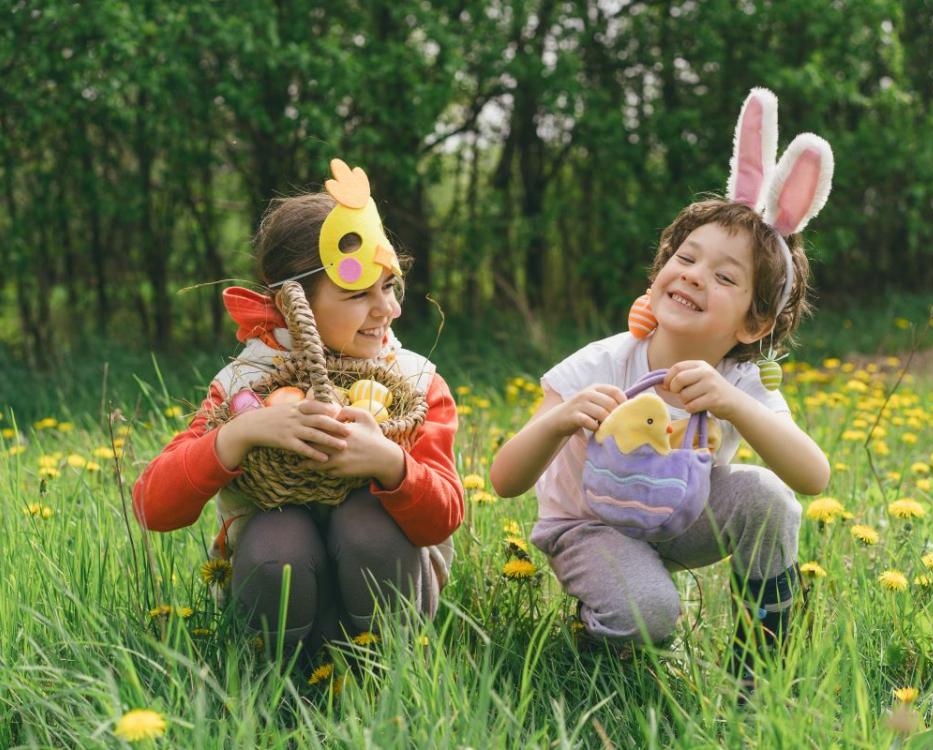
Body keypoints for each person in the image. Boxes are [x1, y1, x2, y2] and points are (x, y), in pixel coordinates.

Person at [490, 89, 833, 688]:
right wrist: (562, 417)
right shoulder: (604, 362)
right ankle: (604, 632)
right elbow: (504, 479)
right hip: (590, 526)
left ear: (753, 324)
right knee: (648, 614)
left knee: (769, 498)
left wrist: (734, 406)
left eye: (724, 276)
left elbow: (813, 476)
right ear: (659, 270)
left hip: (682, 515)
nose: (694, 275)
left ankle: (760, 664)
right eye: (686, 256)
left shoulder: (737, 380)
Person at [133, 159, 463, 655]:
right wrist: (238, 435)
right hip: (281, 602)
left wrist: (392, 465)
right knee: (276, 536)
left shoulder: (413, 380)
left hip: (391, 595)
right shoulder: (248, 384)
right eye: (357, 293)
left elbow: (445, 516)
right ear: (293, 303)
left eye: (389, 286)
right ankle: (276, 680)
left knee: (367, 525)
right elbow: (151, 506)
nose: (388, 309)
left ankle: (392, 664)